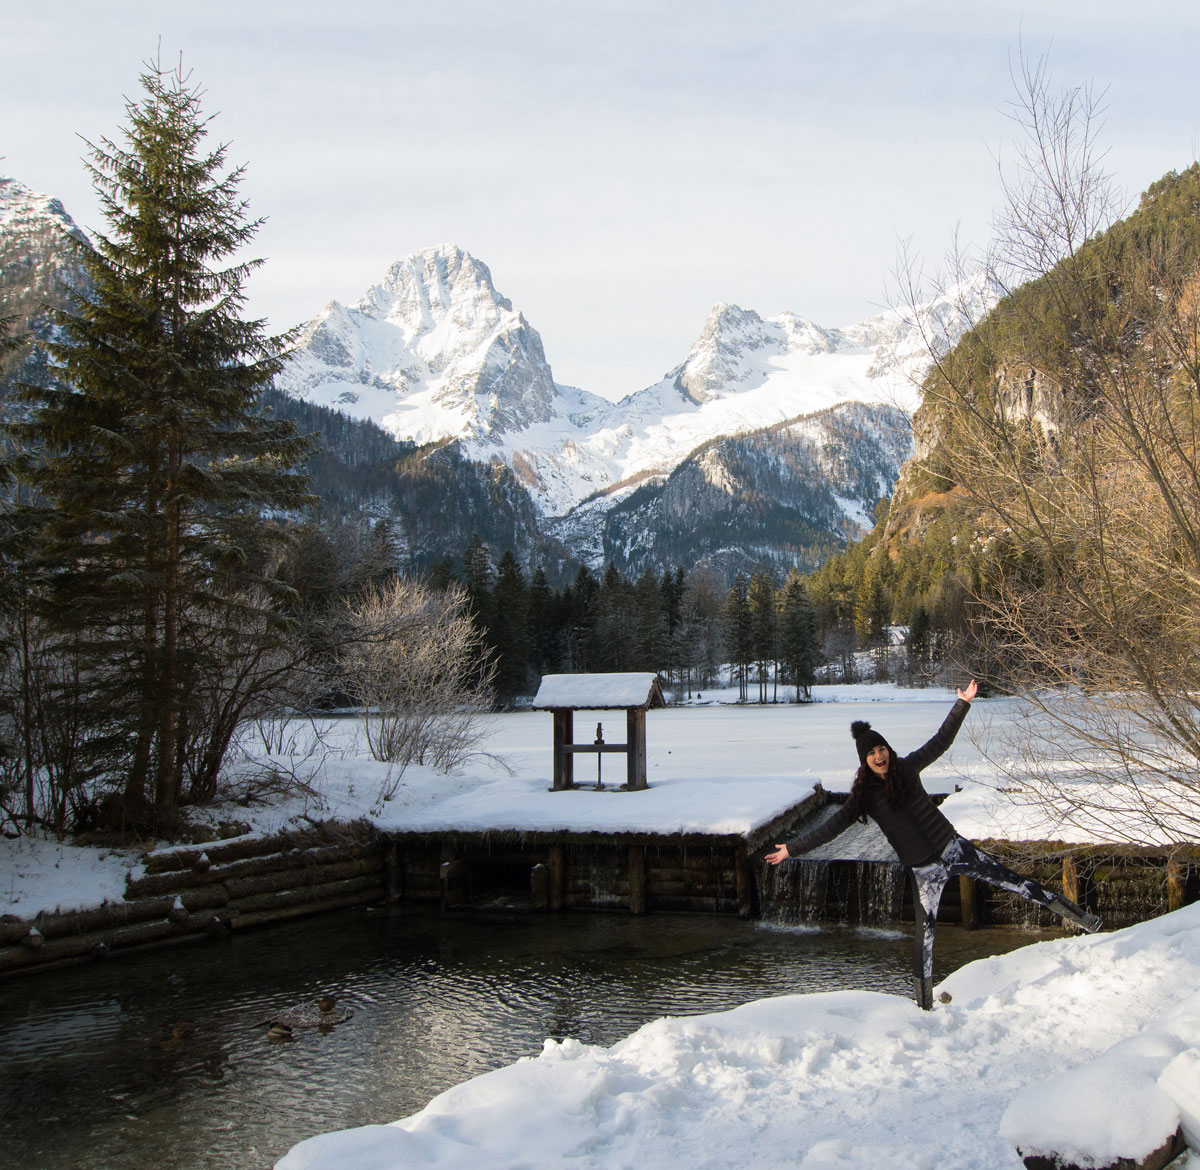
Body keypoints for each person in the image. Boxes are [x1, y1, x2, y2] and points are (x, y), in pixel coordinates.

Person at [765, 680, 1101, 1009]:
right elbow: (830, 828)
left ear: (887, 749)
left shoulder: (908, 768)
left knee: (1018, 883)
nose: (879, 755)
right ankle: (923, 1005)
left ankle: (1087, 922)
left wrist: (962, 704)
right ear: (863, 760)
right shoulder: (863, 799)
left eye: (881, 748)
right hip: (923, 871)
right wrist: (791, 849)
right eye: (871, 753)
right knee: (924, 940)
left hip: (953, 848)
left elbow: (940, 741)